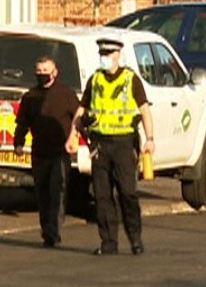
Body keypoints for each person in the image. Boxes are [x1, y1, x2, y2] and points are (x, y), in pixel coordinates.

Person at [66, 37, 154, 255]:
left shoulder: (130, 79)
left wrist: (150, 139)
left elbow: (144, 110)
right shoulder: (95, 80)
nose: (104, 59)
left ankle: (135, 238)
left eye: (108, 55)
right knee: (102, 195)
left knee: (127, 193)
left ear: (118, 56)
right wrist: (72, 134)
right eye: (102, 55)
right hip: (100, 144)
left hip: (124, 143)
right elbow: (82, 110)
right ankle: (108, 242)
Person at [13, 56, 80, 248]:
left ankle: (53, 231)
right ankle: (46, 229)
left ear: (55, 72)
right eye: (39, 71)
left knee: (57, 190)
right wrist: (18, 143)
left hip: (60, 152)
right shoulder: (30, 97)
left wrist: (85, 141)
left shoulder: (66, 94)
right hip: (39, 152)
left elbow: (79, 118)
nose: (42, 74)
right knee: (42, 193)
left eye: (46, 71)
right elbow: (22, 122)